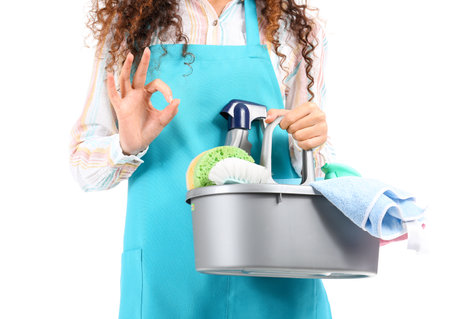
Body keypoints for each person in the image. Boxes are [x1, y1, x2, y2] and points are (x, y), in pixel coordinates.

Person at [69, 0, 336, 317]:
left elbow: (319, 172)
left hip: (273, 265)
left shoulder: (293, 32)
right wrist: (125, 145)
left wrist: (311, 139)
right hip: (168, 270)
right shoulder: (129, 29)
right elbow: (84, 169)